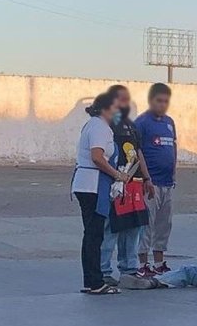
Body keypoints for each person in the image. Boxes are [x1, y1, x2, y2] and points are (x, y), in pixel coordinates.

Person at [71, 92, 129, 295]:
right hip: (92, 185)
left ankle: (91, 280)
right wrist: (117, 175)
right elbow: (97, 157)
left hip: (88, 184)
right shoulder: (100, 127)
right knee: (94, 235)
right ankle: (95, 282)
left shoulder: (93, 125)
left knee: (91, 234)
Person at [99, 85, 155, 289]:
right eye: (120, 99)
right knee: (111, 228)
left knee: (134, 226)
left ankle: (129, 269)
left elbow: (138, 153)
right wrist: (114, 177)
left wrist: (147, 179)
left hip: (134, 186)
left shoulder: (131, 126)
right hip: (115, 183)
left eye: (126, 99)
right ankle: (103, 271)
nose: (124, 103)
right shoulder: (104, 125)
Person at [135, 83, 177, 276]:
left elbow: (173, 147)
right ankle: (143, 264)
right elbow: (137, 151)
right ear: (151, 101)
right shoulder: (142, 123)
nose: (163, 104)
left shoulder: (169, 122)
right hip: (150, 183)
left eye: (166, 101)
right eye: (159, 101)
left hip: (167, 183)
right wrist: (145, 178)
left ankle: (159, 263)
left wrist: (173, 170)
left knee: (163, 224)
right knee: (146, 224)